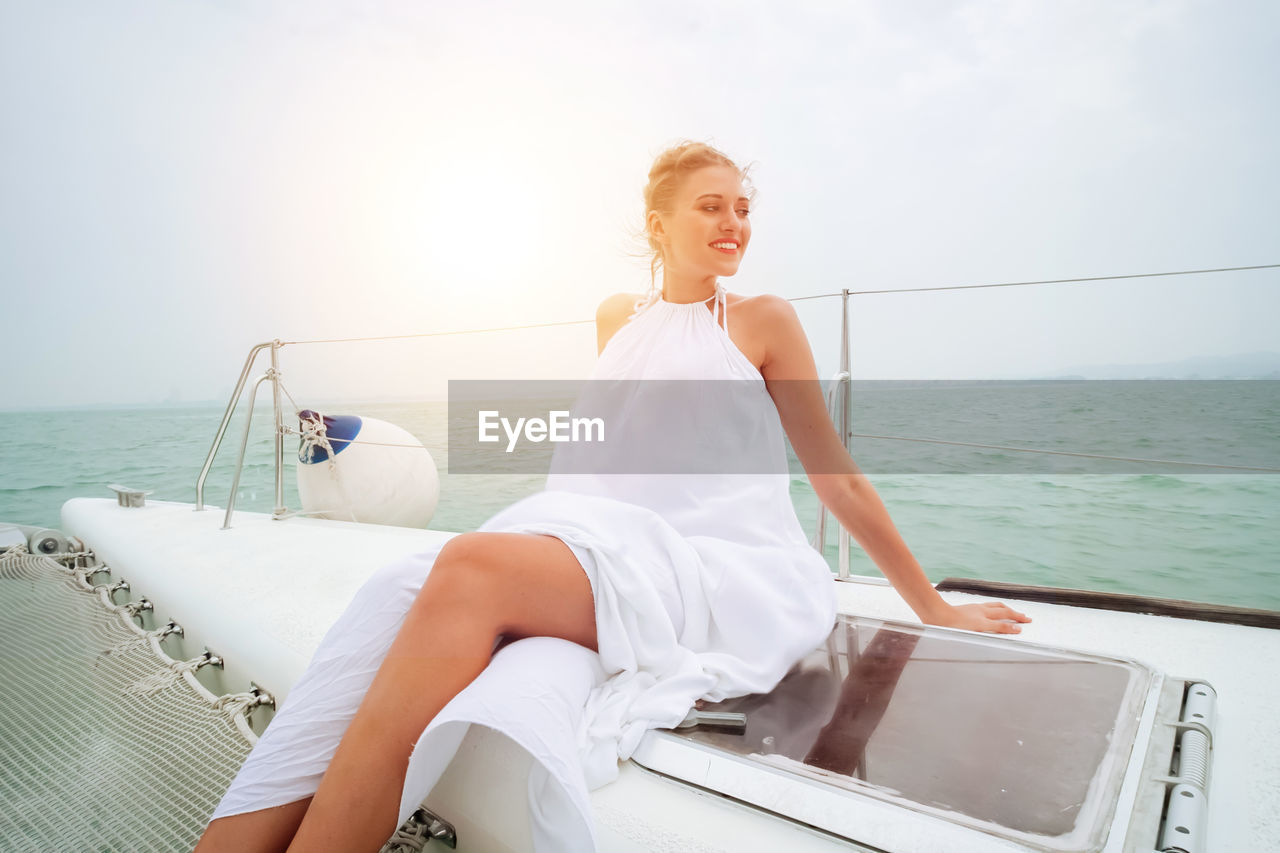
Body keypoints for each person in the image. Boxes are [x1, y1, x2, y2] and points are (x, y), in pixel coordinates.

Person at [194, 141, 1030, 853]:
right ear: (658, 225)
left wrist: (930, 604)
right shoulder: (615, 318)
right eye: (712, 207)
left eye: (743, 208)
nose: (734, 224)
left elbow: (832, 472)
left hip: (720, 572)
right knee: (398, 587)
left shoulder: (763, 322)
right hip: (612, 542)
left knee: (470, 565)